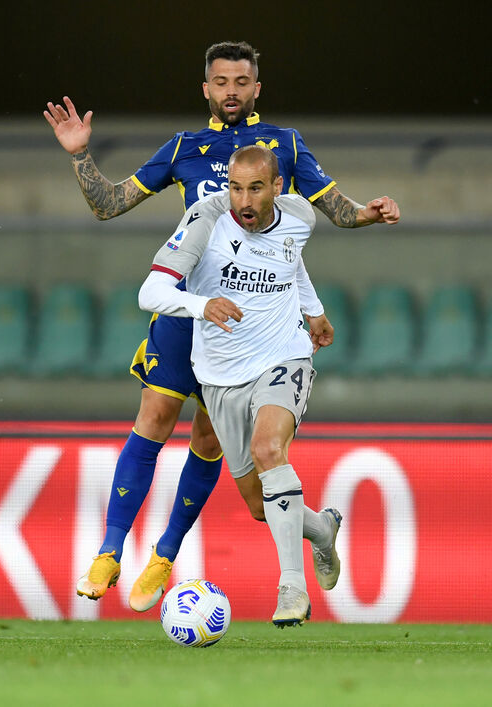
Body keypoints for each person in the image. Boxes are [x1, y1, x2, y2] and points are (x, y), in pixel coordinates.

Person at [43, 40, 400, 612]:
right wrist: (80, 156)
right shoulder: (185, 147)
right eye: (220, 81)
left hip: (249, 327)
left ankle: (165, 553)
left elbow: (331, 213)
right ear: (205, 89)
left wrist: (368, 215)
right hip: (190, 310)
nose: (231, 91)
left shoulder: (283, 145)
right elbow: (108, 204)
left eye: (241, 81)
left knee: (216, 451)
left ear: (257, 88)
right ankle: (110, 550)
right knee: (154, 417)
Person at [138, 144, 335, 626]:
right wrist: (203, 305)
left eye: (254, 188)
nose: (242, 200)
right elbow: (151, 292)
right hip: (220, 376)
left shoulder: (300, 216)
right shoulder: (205, 220)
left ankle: (292, 587)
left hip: (284, 355)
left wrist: (312, 310)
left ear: (278, 188)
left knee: (270, 450)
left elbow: (290, 258)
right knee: (258, 504)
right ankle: (323, 529)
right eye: (234, 187)